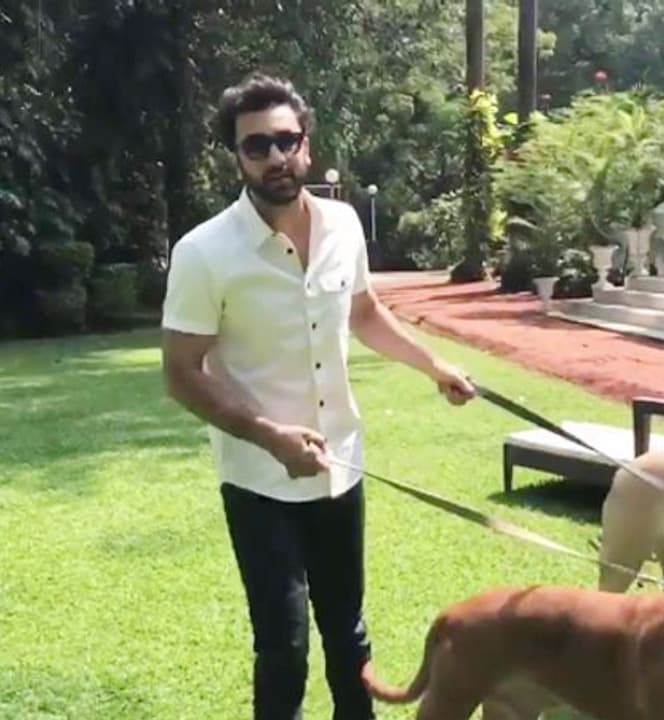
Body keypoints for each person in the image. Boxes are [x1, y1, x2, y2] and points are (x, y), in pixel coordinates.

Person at [160, 72, 477, 720]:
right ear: (237, 157)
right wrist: (269, 436)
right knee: (284, 648)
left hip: (341, 464)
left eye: (287, 139)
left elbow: (364, 311)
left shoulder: (343, 225)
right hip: (258, 480)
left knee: (348, 634)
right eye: (257, 146)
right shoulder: (204, 253)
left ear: (307, 142)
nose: (276, 156)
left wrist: (434, 365)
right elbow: (181, 373)